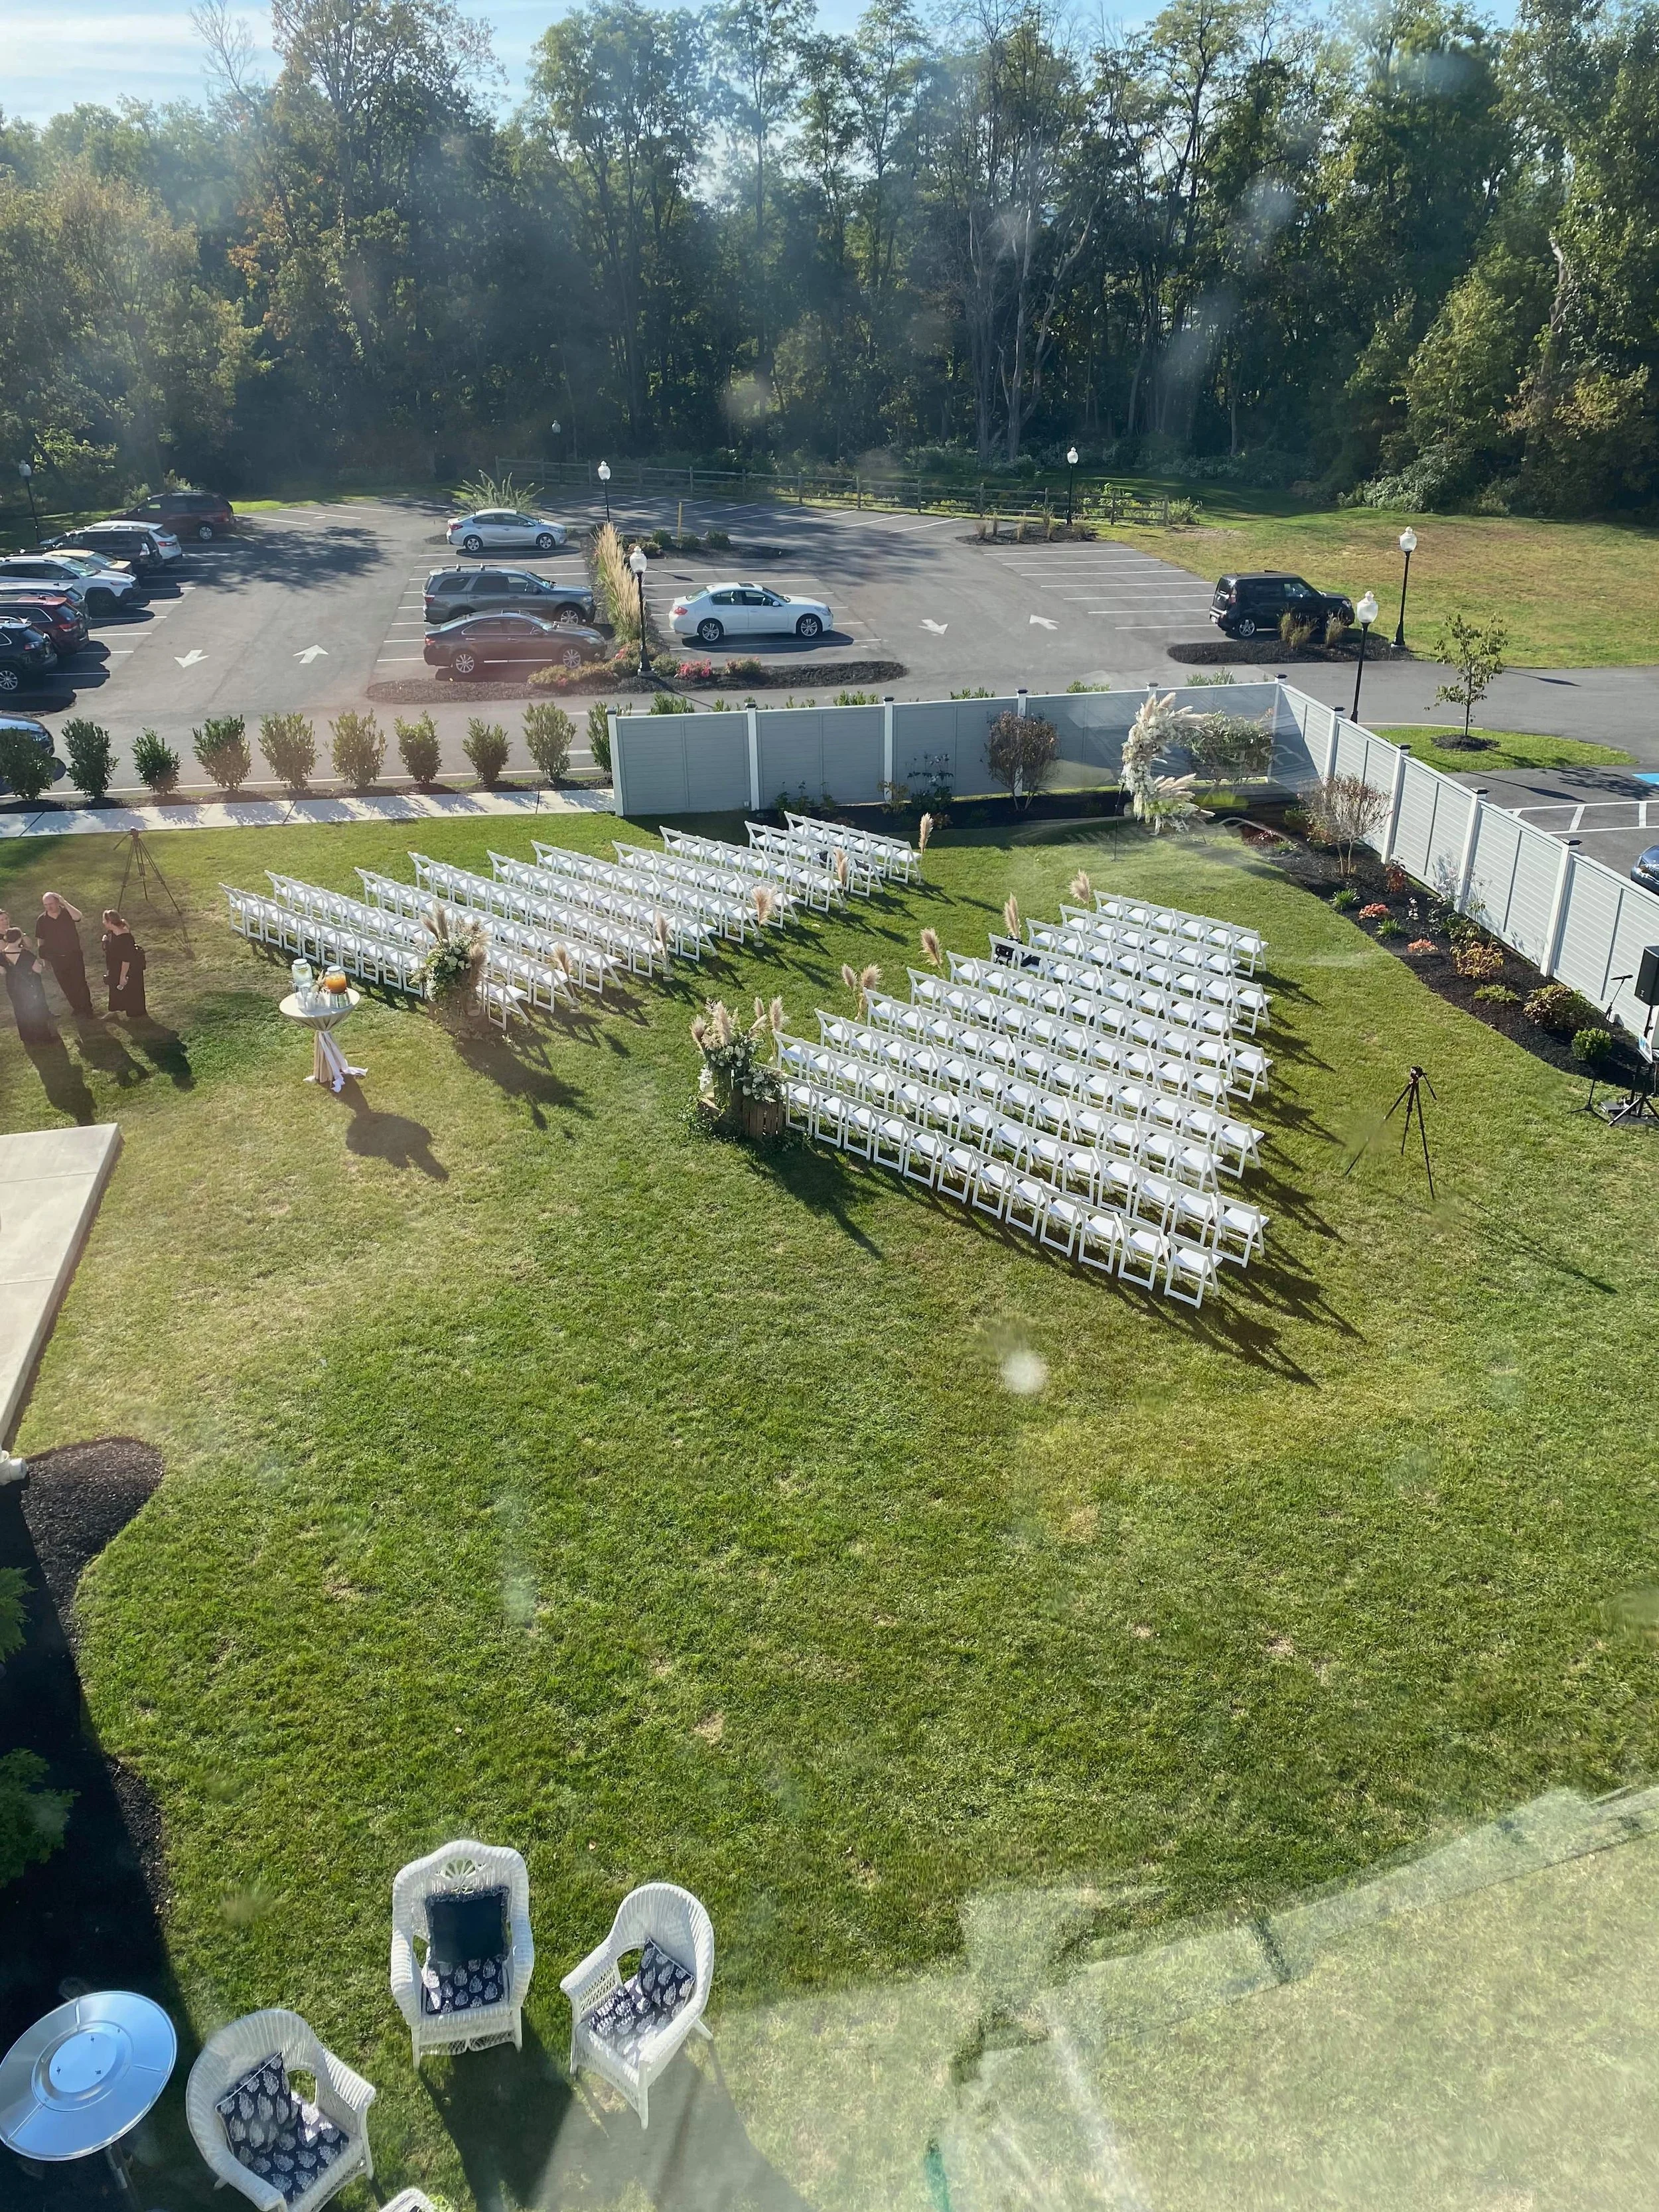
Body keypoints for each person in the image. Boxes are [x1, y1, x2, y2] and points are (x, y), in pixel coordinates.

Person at [34, 891, 94, 1017]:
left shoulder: (67, 913)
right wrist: (44, 958)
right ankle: (77, 1007)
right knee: (66, 985)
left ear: (57, 902)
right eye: (46, 905)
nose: (49, 907)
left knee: (80, 983)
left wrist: (65, 902)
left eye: (51, 904)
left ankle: (87, 1008)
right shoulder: (42, 920)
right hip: (56, 959)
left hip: (74, 955)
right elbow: (41, 940)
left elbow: (78, 917)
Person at [1, 928, 56, 1043]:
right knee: (36, 1009)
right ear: (19, 939)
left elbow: (3, 972)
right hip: (30, 986)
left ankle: (27, 1036)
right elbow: (38, 970)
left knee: (20, 1010)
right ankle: (43, 1036)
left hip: (13, 986)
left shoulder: (1, 955)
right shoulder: (26, 954)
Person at [102, 910, 147, 1018]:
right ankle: (115, 1010)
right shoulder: (112, 932)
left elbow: (126, 960)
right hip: (115, 967)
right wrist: (105, 941)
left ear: (110, 922)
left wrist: (123, 977)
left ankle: (136, 1013)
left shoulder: (125, 938)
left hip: (129, 969)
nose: (103, 923)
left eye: (104, 920)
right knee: (114, 988)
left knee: (131, 990)